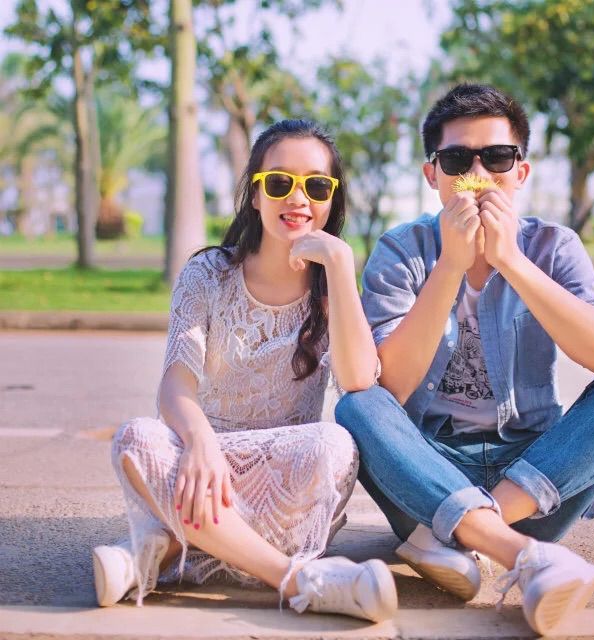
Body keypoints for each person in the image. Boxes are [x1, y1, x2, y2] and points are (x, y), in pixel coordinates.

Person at [335, 84, 594, 635]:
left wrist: (511, 261)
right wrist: (450, 266)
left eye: (496, 158)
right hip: (425, 471)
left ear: (520, 172)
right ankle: (518, 555)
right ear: (433, 175)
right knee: (357, 405)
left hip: (533, 479)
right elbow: (390, 386)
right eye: (457, 160)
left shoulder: (554, 246)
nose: (477, 174)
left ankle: (460, 534)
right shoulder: (401, 250)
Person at [92, 119, 397, 623]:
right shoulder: (208, 274)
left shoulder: (331, 287)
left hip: (282, 472)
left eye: (316, 186)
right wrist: (200, 443)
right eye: (279, 182)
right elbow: (176, 384)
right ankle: (296, 579)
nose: (297, 198)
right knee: (136, 438)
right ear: (255, 194)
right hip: (202, 463)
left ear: (331, 199)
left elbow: (359, 380)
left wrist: (341, 267)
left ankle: (163, 549)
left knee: (335, 445)